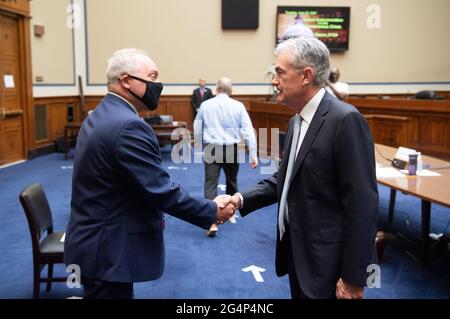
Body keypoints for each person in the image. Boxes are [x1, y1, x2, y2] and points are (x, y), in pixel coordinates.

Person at [64, 49, 235, 299]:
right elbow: (160, 189)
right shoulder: (127, 125)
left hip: (95, 242)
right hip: (108, 250)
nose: (158, 85)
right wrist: (211, 210)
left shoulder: (102, 113)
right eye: (152, 77)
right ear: (125, 81)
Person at [229, 37, 379, 299]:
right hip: (299, 256)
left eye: (279, 72)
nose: (274, 81)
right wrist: (240, 199)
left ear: (306, 75)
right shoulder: (296, 120)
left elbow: (363, 206)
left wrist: (357, 277)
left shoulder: (345, 120)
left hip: (330, 265)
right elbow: (285, 179)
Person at [194, 77, 258, 237]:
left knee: (210, 183)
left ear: (216, 89)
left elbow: (197, 127)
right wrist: (253, 153)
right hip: (231, 148)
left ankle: (211, 221)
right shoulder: (238, 106)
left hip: (211, 147)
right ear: (231, 91)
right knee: (231, 180)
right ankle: (230, 211)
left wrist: (200, 143)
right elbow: (248, 130)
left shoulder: (205, 105)